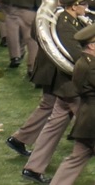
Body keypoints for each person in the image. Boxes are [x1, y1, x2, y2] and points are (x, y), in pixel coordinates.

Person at [20, 0, 88, 184]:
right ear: (74, 6)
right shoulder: (65, 25)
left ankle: (33, 167)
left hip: (65, 88)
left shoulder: (71, 20)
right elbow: (77, 56)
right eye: (83, 4)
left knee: (53, 127)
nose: (86, 7)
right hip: (72, 88)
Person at [49, 23, 95, 184]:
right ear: (92, 45)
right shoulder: (90, 66)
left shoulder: (83, 62)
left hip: (86, 121)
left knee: (75, 160)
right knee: (75, 159)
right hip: (92, 122)